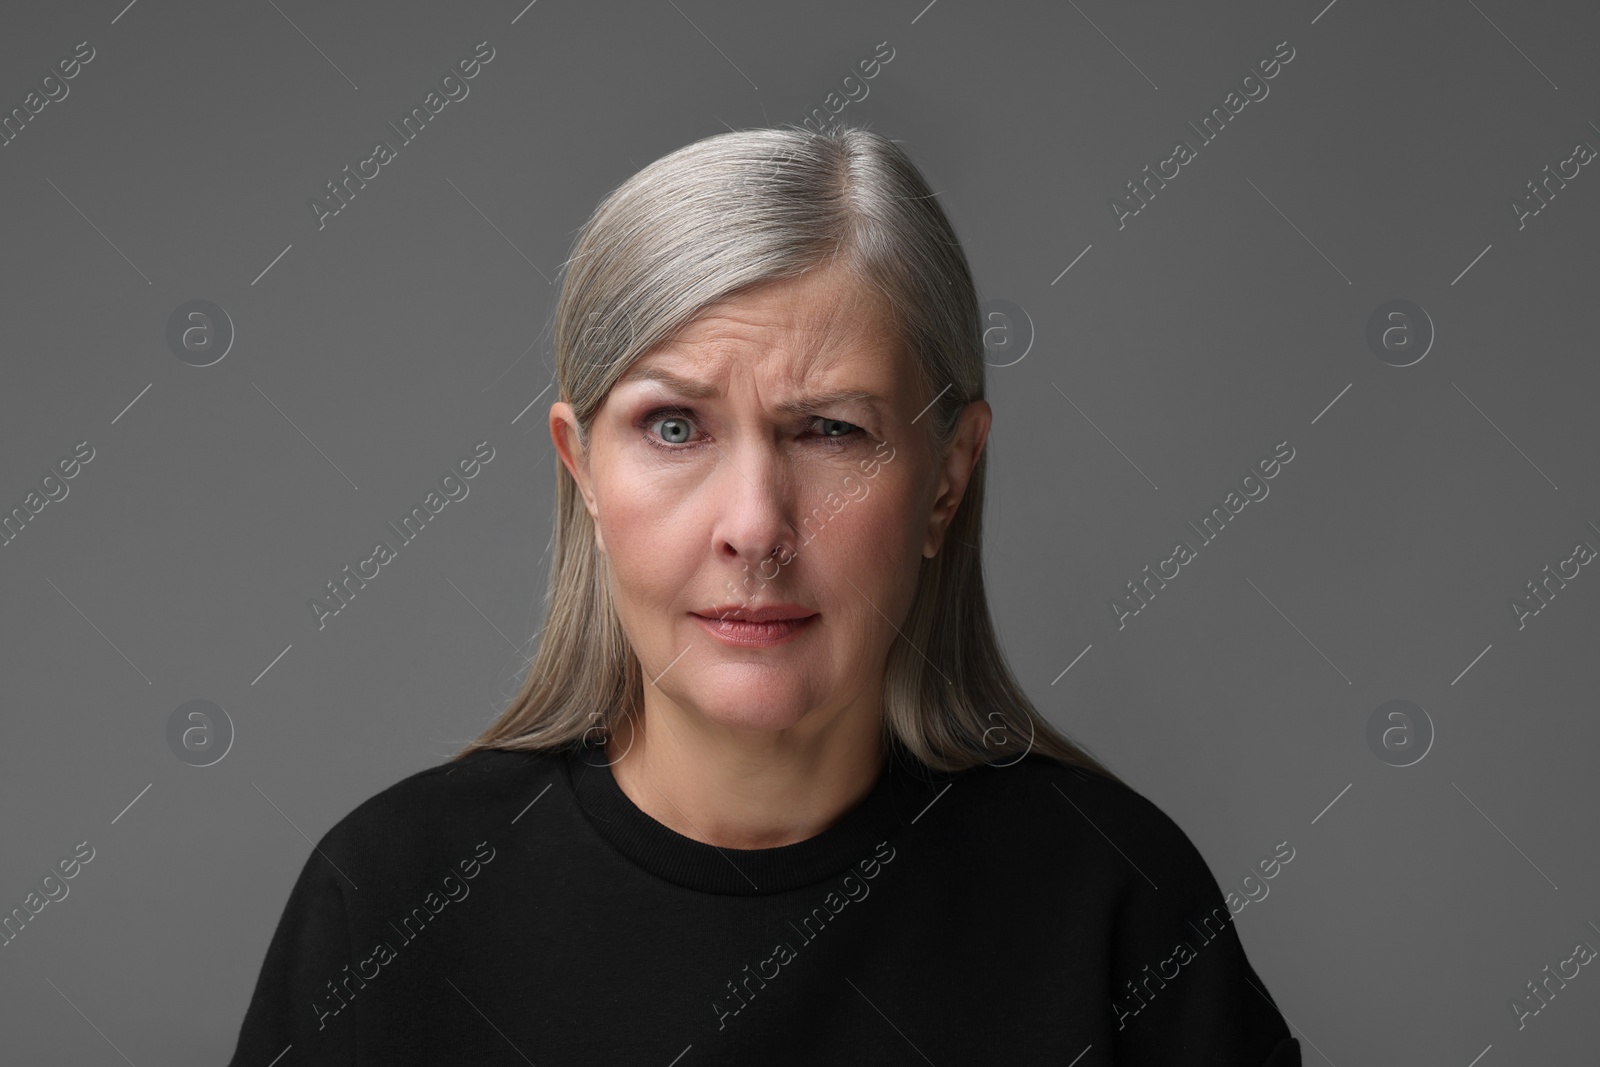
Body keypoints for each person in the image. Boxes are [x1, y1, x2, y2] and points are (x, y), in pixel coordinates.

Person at [226, 122, 1301, 1065]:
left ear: (948, 476)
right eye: (675, 426)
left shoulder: (1120, 907)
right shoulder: (386, 903)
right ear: (581, 468)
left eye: (831, 431)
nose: (755, 525)